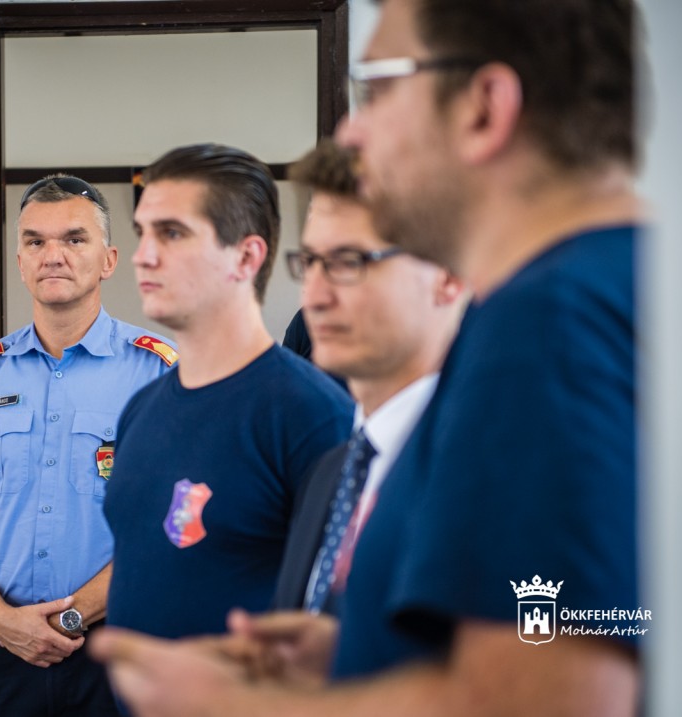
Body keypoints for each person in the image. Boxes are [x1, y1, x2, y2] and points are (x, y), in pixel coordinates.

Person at [91, 0, 645, 714]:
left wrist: (234, 704)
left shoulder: (547, 323)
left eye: (379, 88)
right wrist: (353, 652)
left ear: (485, 107)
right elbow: (585, 627)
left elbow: (551, 698)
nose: (354, 130)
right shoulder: (607, 287)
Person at [0, 175, 176, 716]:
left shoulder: (159, 373)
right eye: (35, 241)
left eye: (74, 239)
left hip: (120, 652)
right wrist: (1, 620)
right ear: (21, 262)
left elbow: (175, 525)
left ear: (109, 260)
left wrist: (70, 619)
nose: (54, 255)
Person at [102, 143, 354, 642]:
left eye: (172, 233)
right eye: (143, 232)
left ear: (245, 256)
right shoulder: (142, 408)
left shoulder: (313, 417)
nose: (143, 256)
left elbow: (343, 623)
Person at [271, 139, 464, 617]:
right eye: (310, 263)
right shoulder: (333, 470)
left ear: (446, 277)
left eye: (348, 262)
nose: (314, 297)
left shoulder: (504, 465)